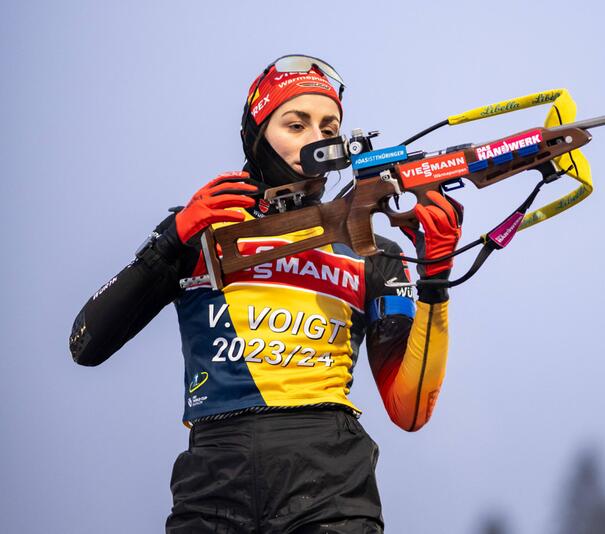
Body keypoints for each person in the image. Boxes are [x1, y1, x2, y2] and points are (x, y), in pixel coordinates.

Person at [69, 55, 461, 534]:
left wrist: (436, 278)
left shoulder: (372, 251)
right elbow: (85, 344)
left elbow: (411, 409)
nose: (316, 138)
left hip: (331, 483)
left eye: (329, 125)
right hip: (212, 484)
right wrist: (172, 237)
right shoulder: (202, 229)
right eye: (296, 124)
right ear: (256, 136)